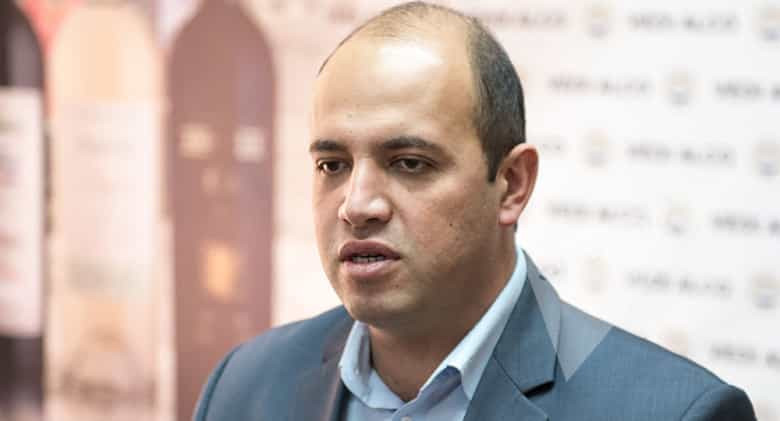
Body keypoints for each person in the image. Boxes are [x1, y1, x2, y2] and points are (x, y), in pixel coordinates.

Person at [192, 2, 756, 420]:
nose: (357, 205)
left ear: (512, 184)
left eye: (409, 163)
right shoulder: (243, 387)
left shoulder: (672, 412)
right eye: (332, 165)